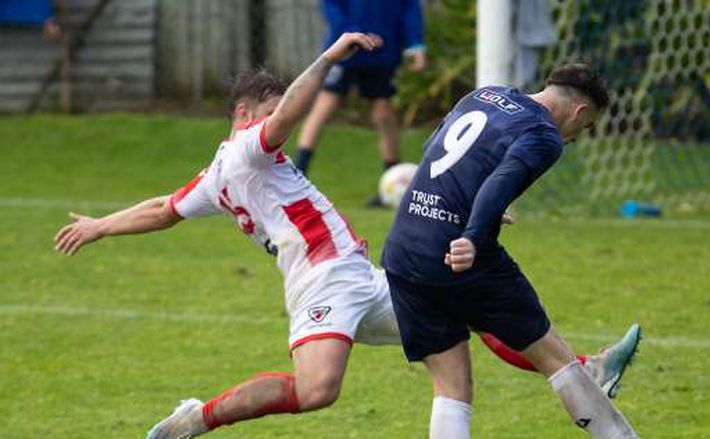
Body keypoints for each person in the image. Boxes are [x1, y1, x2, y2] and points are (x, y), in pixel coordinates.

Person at [53, 36, 639, 437]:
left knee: (460, 336)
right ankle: (197, 418)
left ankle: (587, 367)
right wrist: (331, 55)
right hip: (322, 282)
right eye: (269, 109)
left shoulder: (218, 175)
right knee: (318, 392)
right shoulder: (243, 150)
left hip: (368, 274)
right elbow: (281, 123)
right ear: (242, 113)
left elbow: (164, 208)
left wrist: (100, 225)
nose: (277, 120)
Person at [382, 62, 641, 438]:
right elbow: (502, 179)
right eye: (583, 129)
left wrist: (471, 204)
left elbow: (433, 149)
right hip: (461, 255)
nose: (574, 138)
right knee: (557, 358)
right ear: (580, 111)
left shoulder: (484, 95)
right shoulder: (544, 135)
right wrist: (472, 234)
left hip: (404, 250)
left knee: (452, 387)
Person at [294, 0, 426, 207]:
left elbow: (409, 9)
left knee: (383, 111)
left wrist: (416, 44)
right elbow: (331, 6)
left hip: (383, 51)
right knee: (327, 103)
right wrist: (356, 34)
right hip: (346, 48)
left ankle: (391, 182)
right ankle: (296, 176)